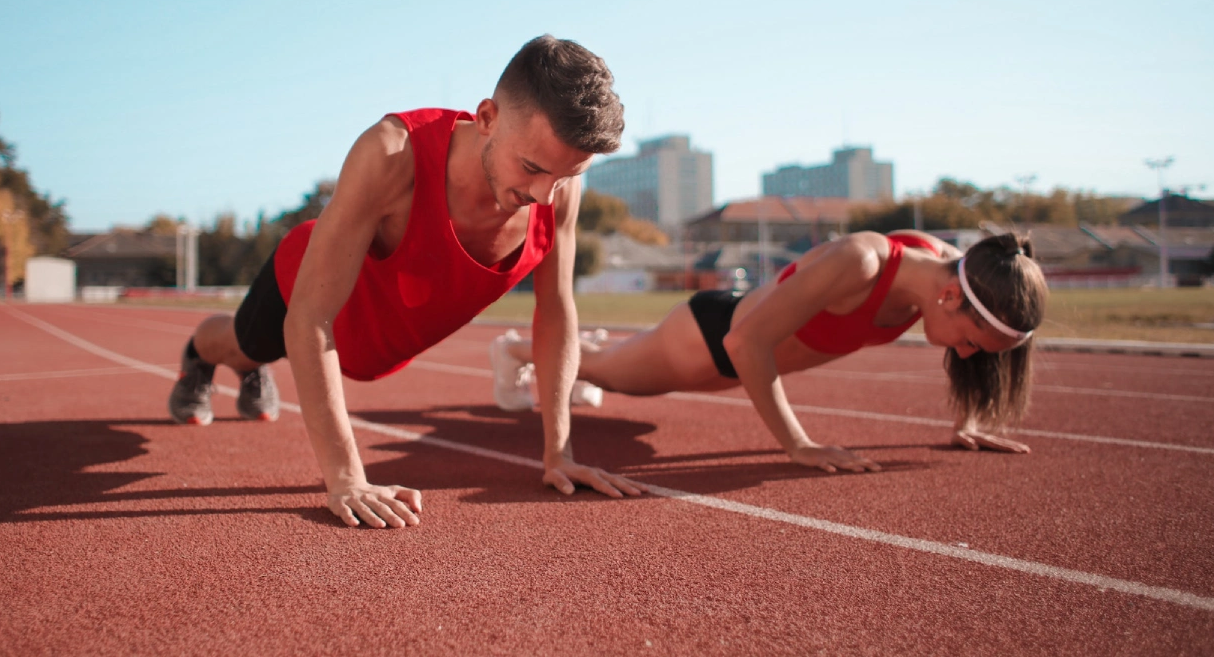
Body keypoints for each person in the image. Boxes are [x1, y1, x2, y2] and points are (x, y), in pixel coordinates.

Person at [169, 35, 643, 528]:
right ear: (486, 118)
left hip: (384, 339)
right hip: (311, 290)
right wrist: (347, 478)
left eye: (565, 177)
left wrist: (559, 453)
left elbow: (556, 309)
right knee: (246, 345)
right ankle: (200, 358)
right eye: (531, 168)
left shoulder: (556, 182)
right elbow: (310, 317)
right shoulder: (391, 153)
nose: (546, 196)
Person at [490, 230, 1047, 472]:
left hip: (748, 363)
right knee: (612, 378)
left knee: (610, 378)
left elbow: (972, 346)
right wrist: (798, 445)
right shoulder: (864, 262)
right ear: (950, 296)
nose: (971, 356)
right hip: (712, 338)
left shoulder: (951, 274)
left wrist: (968, 421)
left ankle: (575, 353)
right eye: (974, 343)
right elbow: (744, 340)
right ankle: (516, 352)